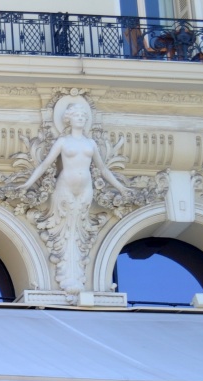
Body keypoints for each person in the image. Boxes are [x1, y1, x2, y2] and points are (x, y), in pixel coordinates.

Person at [20, 98, 127, 292]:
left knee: (79, 230)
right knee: (65, 229)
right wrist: (28, 183)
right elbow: (45, 164)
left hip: (85, 188)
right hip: (65, 187)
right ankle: (67, 274)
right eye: (77, 115)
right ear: (68, 119)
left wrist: (121, 187)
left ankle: (76, 275)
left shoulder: (90, 143)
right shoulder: (63, 141)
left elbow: (102, 169)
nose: (80, 118)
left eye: (83, 116)